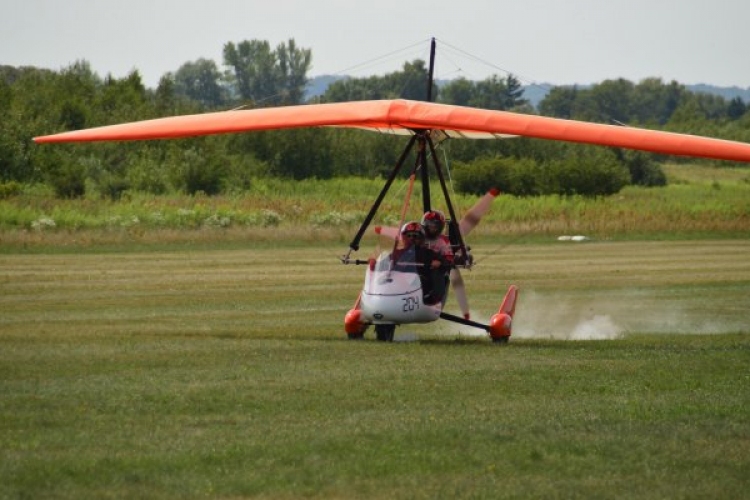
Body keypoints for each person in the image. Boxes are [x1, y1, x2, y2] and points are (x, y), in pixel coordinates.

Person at [396, 221, 449, 305]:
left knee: (436, 273)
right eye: (408, 236)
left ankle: (433, 299)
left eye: (415, 236)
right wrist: (375, 262)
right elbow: (386, 261)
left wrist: (439, 262)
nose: (411, 239)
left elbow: (446, 262)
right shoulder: (398, 253)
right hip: (398, 288)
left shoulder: (428, 253)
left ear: (422, 238)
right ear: (404, 237)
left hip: (422, 289)